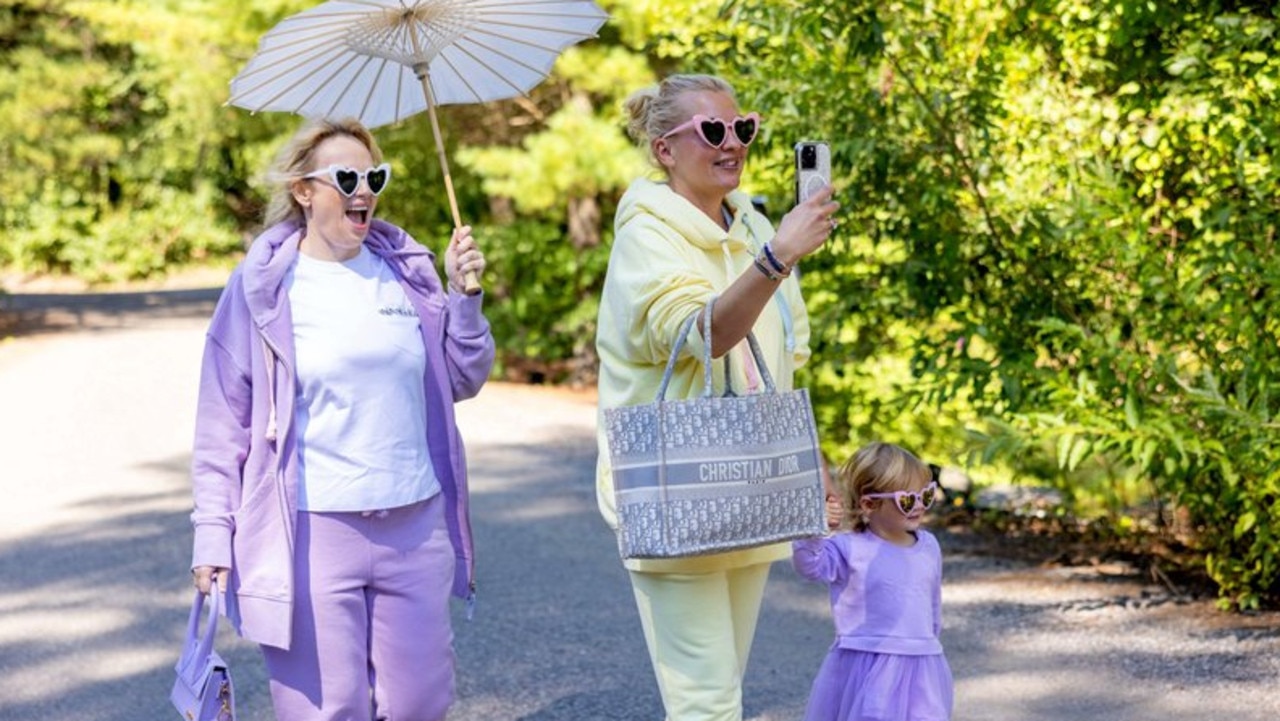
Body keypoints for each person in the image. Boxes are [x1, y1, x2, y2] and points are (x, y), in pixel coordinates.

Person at [187, 117, 495, 721]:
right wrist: (212, 534)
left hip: (415, 523)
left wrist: (466, 298)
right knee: (329, 710)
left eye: (373, 176)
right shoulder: (262, 288)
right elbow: (222, 419)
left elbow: (461, 378)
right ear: (304, 190)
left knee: (421, 704)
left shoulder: (407, 272)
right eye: (347, 177)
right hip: (311, 530)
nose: (364, 191)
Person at [595, 73, 840, 720]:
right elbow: (703, 335)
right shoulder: (646, 235)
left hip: (752, 479)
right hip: (678, 486)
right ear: (664, 150)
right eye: (712, 130)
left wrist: (808, 456)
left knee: (724, 685)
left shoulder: (755, 221)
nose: (733, 143)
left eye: (744, 128)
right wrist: (777, 257)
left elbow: (787, 351)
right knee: (704, 700)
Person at [792, 442, 955, 721]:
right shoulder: (849, 548)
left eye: (925, 496)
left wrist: (931, 644)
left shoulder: (928, 545)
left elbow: (932, 603)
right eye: (906, 500)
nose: (918, 506)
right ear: (869, 504)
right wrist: (815, 529)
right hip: (865, 663)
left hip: (921, 663)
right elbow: (809, 566)